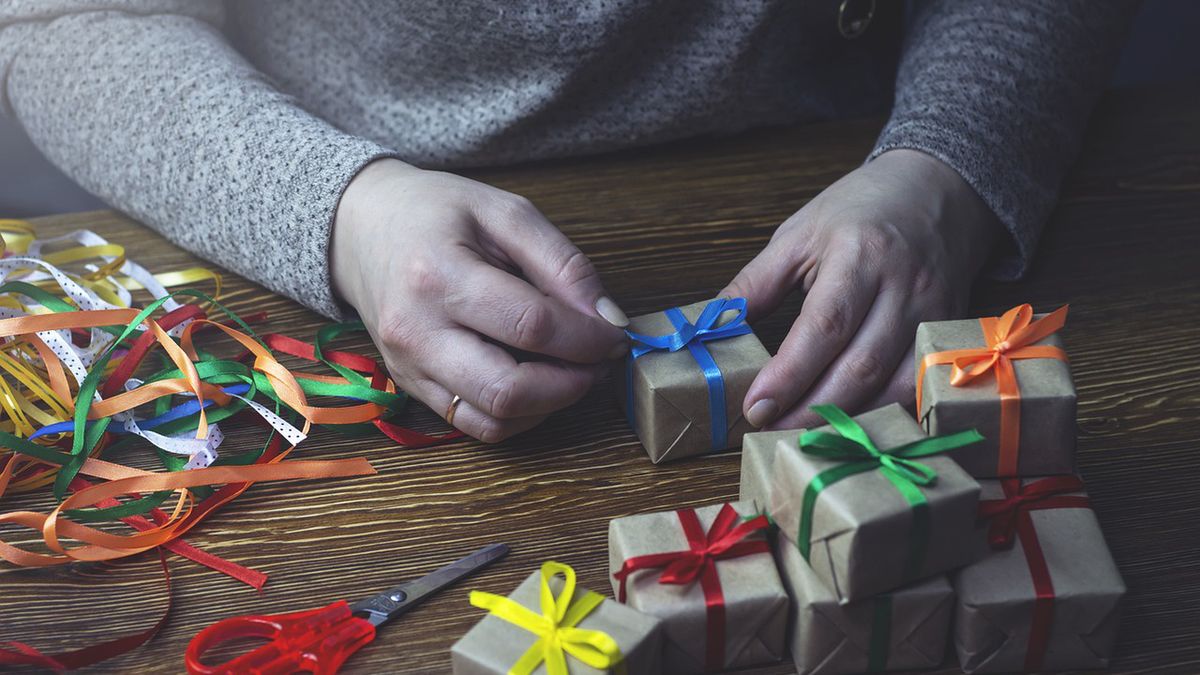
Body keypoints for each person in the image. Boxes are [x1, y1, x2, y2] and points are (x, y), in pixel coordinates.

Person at [0, 1, 1134, 443]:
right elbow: (63, 21)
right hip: (350, 240)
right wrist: (342, 208)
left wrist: (948, 164)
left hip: (853, 187)